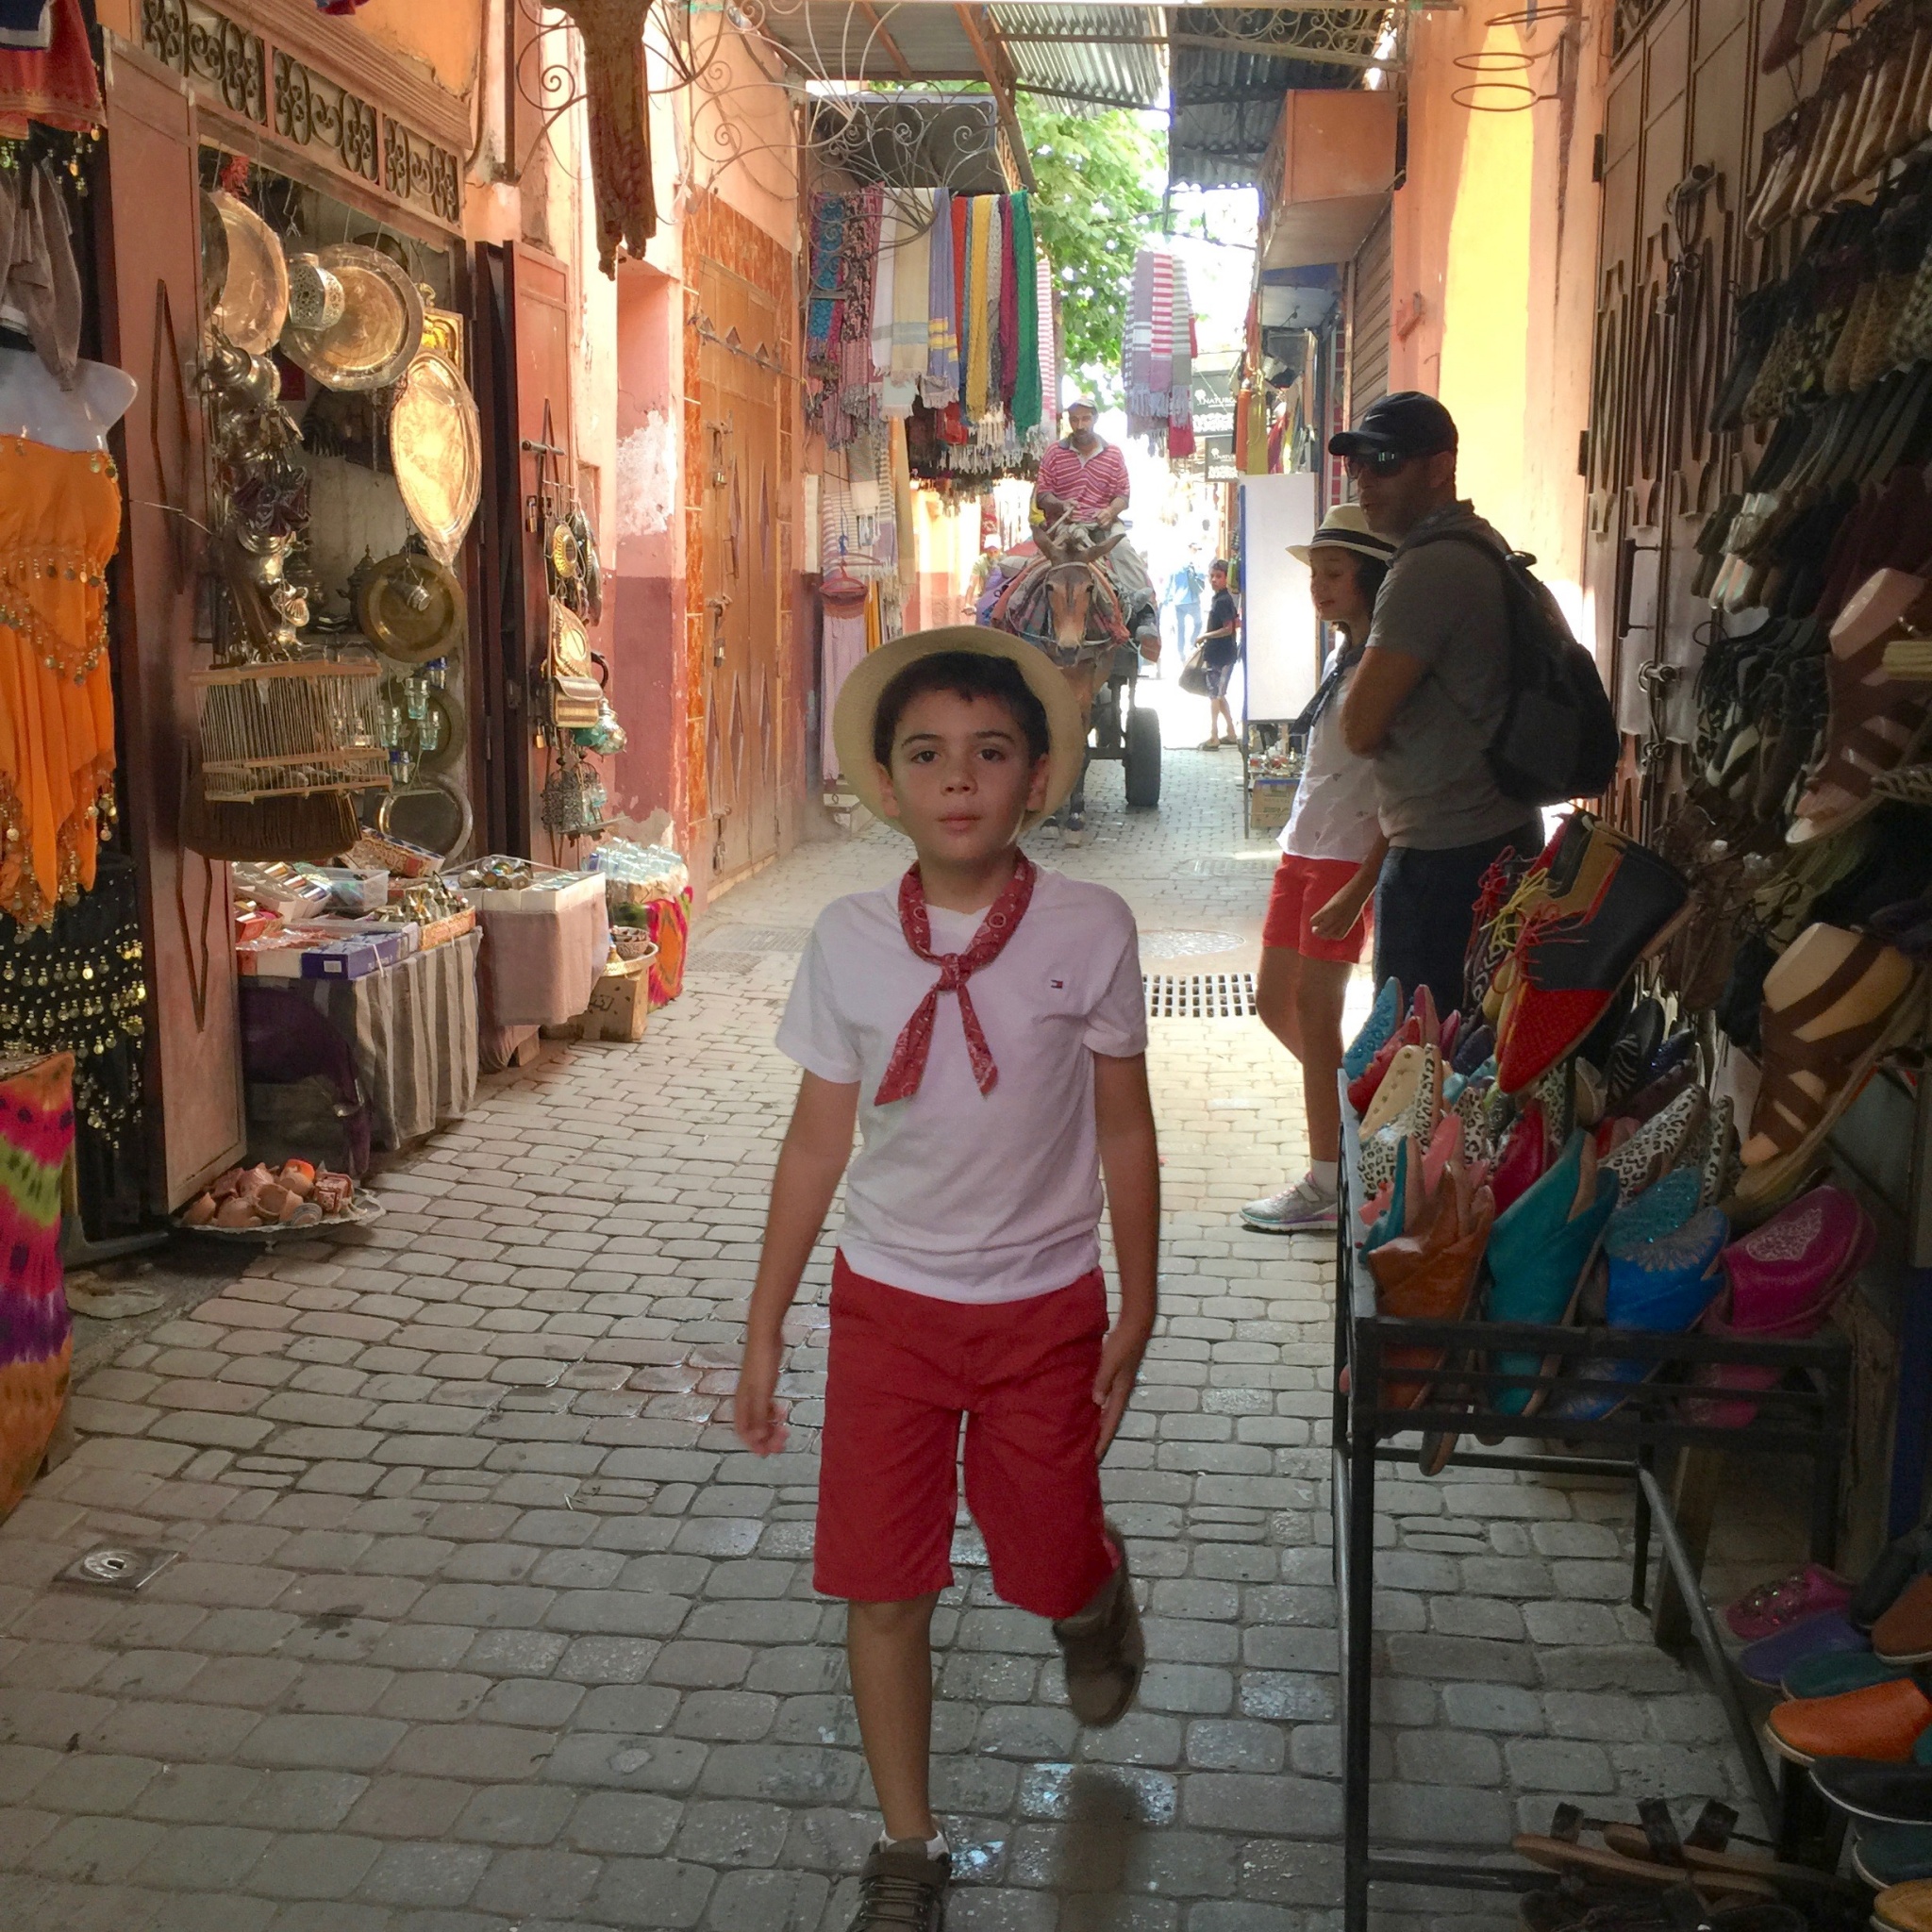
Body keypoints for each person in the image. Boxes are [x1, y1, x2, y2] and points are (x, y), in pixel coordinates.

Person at [734, 627, 1160, 1932]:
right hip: (888, 1312)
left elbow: (1124, 1128)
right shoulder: (850, 939)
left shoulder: (1092, 928)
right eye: (928, 754)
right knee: (884, 1583)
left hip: (1043, 1316)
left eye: (991, 752)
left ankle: (1090, 1595)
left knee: (1040, 1557)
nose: (959, 779)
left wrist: (1139, 1303)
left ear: (1037, 776)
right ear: (890, 780)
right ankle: (908, 1847)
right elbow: (817, 1144)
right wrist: (764, 1333)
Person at [1335, 391, 1543, 1019]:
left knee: (1416, 1067)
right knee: (1463, 1052)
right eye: (1358, 464)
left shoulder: (1429, 568)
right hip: (1489, 839)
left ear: (1439, 467)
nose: (1366, 479)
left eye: (1387, 462)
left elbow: (1359, 726)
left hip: (1446, 859)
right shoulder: (1479, 543)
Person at [1243, 507, 1394, 1234]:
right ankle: (1356, 1123)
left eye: (1336, 574)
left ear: (1371, 578)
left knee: (1315, 1012)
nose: (1321, 587)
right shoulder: (1347, 655)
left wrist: (1364, 884)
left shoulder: (1391, 667)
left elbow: (1409, 793)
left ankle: (1330, 1180)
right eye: (1317, 574)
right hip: (1303, 848)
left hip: (1344, 860)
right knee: (1274, 1002)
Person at [1033, 399, 1158, 648]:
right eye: (1074, 419)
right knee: (1031, 566)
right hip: (1062, 527)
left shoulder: (1113, 454)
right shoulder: (1054, 453)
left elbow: (1123, 495)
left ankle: (1145, 615)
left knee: (1124, 553)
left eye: (1085, 418)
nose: (1080, 425)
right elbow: (1042, 494)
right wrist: (1059, 504)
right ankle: (1015, 619)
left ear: (1095, 419)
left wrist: (1110, 511)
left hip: (1101, 527)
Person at [1197, 558, 1240, 749]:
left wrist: (1205, 635)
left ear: (1225, 578)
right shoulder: (1220, 598)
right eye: (1211, 576)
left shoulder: (1223, 600)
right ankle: (1230, 732)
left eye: (1218, 576)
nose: (1214, 580)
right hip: (1217, 654)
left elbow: (1227, 628)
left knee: (1215, 695)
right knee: (1219, 694)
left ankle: (1214, 735)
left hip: (1222, 655)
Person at [1169, 553, 1206, 662]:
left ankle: (1181, 651)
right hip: (1192, 601)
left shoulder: (1175, 570)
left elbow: (1169, 585)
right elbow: (1203, 576)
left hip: (1179, 602)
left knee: (1181, 628)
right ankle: (1192, 642)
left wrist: (1165, 600)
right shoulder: (1192, 568)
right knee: (1198, 624)